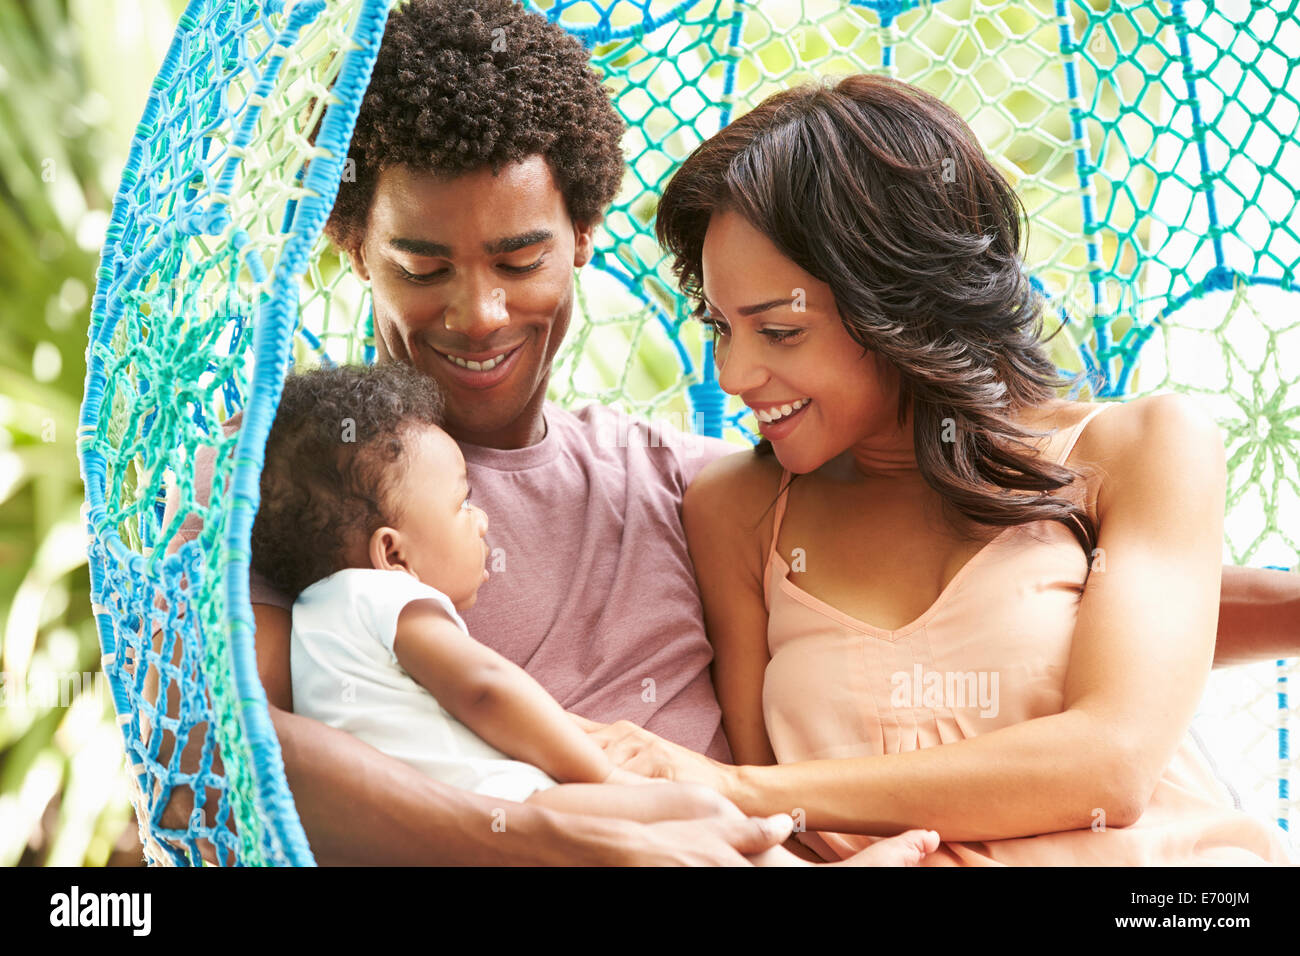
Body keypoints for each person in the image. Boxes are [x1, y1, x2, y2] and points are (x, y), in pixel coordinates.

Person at [161, 0, 1298, 865]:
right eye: (421, 265)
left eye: (519, 259)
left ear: (581, 238)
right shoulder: (303, 475)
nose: (479, 312)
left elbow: (1011, 571)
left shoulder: (692, 481)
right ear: (355, 247)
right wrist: (555, 829)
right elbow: (206, 751)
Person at [578, 72, 1297, 865]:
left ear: (901, 304)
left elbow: (1111, 765)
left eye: (779, 331)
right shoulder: (735, 508)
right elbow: (783, 845)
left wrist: (738, 788)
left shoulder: (1136, 448)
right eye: (721, 325)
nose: (734, 374)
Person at [246, 361, 940, 865]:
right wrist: (598, 772)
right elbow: (485, 688)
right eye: (463, 504)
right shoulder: (390, 599)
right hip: (521, 808)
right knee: (698, 810)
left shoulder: (309, 622)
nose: (483, 521)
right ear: (392, 552)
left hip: (448, 830)